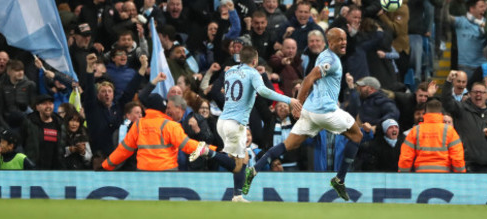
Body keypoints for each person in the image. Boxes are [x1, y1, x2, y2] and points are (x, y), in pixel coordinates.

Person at [243, 28, 363, 201]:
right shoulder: (332, 61)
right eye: (339, 40)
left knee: (288, 144)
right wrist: (297, 103)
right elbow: (308, 79)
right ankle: (340, 179)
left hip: (311, 112)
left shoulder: (323, 55)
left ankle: (254, 170)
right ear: (331, 42)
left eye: (345, 39)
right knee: (357, 135)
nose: (344, 42)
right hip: (326, 111)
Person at [190, 46, 297, 202]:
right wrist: (288, 99)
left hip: (223, 121)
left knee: (243, 159)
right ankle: (207, 151)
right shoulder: (253, 73)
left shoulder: (230, 71)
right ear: (254, 60)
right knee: (238, 165)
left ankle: (237, 195)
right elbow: (264, 91)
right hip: (235, 123)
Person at [102, 93, 216, 171]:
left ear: (147, 109)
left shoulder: (138, 125)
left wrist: (106, 165)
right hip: (167, 171)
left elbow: (123, 150)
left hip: (144, 171)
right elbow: (189, 146)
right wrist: (214, 150)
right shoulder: (170, 125)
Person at [398, 99, 466, 173]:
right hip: (443, 176)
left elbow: (406, 157)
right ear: (440, 113)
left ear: (426, 113)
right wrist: (460, 175)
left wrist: (403, 175)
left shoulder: (416, 130)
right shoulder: (449, 131)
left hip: (421, 175)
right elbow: (457, 158)